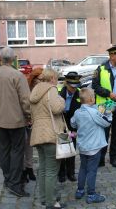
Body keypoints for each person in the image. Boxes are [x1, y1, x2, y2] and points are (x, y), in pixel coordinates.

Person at [0, 47, 31, 197]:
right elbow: (25, 100)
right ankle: (15, 183)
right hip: (17, 121)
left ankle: (8, 179)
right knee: (17, 151)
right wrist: (29, 116)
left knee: (4, 151)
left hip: (1, 120)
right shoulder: (17, 75)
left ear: (0, 58)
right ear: (13, 59)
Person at [30, 69, 66, 209]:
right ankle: (51, 203)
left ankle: (44, 198)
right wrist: (62, 100)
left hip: (38, 133)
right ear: (51, 78)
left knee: (44, 168)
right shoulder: (52, 89)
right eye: (56, 78)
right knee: (51, 171)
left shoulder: (35, 90)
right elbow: (57, 109)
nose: (57, 81)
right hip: (51, 133)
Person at [71, 88, 111, 204]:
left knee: (83, 168)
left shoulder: (78, 112)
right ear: (91, 99)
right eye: (93, 96)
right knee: (92, 171)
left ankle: (80, 190)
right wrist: (108, 112)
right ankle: (92, 194)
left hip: (83, 147)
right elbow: (106, 122)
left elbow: (72, 123)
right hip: (94, 147)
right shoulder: (94, 113)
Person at [20, 68, 44, 183]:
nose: (42, 81)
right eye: (40, 79)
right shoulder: (27, 88)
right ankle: (24, 169)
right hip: (25, 120)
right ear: (34, 79)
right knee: (24, 145)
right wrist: (28, 118)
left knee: (30, 145)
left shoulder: (42, 89)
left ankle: (29, 168)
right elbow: (24, 105)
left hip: (37, 120)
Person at [58, 72, 82, 183]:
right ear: (66, 84)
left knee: (72, 149)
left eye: (76, 86)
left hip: (73, 127)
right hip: (62, 125)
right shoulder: (59, 94)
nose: (74, 89)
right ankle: (61, 172)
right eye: (72, 86)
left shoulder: (79, 94)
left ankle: (70, 172)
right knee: (62, 150)